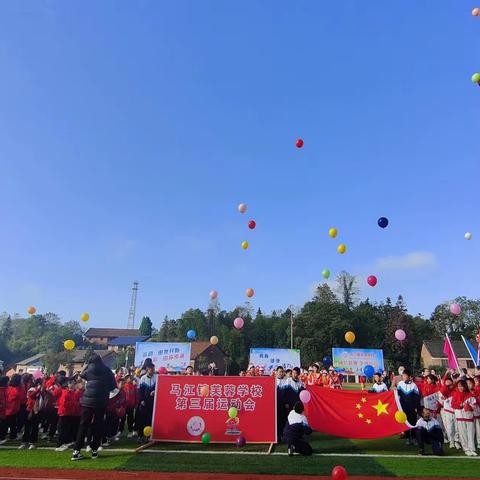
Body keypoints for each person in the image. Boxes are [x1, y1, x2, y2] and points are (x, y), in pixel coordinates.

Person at [72, 354, 116, 461]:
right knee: (98, 425)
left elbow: (82, 375)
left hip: (87, 402)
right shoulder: (107, 370)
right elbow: (113, 386)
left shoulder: (89, 370)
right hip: (101, 401)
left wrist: (87, 366)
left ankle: (76, 451)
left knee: (83, 425)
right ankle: (94, 450)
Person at [55, 379, 82, 452]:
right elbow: (64, 404)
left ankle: (65, 442)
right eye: (72, 383)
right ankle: (59, 445)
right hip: (64, 413)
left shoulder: (71, 392)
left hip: (69, 413)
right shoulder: (66, 393)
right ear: (68, 385)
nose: (74, 385)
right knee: (62, 429)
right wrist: (75, 404)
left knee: (67, 429)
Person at [452, 379, 477, 456]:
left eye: (461, 386)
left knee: (471, 433)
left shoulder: (470, 394)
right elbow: (453, 404)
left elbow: (474, 405)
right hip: (460, 416)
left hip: (469, 416)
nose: (460, 388)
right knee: (463, 433)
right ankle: (466, 448)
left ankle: (472, 448)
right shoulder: (455, 394)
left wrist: (470, 406)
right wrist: (460, 405)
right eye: (459, 386)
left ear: (465, 386)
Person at [397, 369, 421, 445]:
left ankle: (414, 438)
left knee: (413, 422)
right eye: (403, 375)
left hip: (412, 407)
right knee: (405, 422)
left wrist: (417, 407)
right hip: (403, 407)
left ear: (409, 376)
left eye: (405, 375)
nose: (403, 377)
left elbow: (417, 397)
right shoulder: (400, 384)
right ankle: (408, 438)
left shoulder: (414, 385)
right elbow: (397, 395)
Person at [136, 363, 157, 442]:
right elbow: (140, 391)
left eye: (153, 369)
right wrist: (141, 400)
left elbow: (159, 387)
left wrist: (155, 391)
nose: (151, 370)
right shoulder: (143, 378)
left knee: (150, 419)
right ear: (147, 369)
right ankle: (140, 436)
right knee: (142, 419)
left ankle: (149, 436)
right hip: (144, 402)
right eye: (150, 369)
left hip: (153, 402)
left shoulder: (156, 378)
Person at [0, 376, 10, 444]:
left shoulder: (6, 389)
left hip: (4, 410)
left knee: (3, 424)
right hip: (1, 410)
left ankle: (2, 438)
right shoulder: (1, 390)